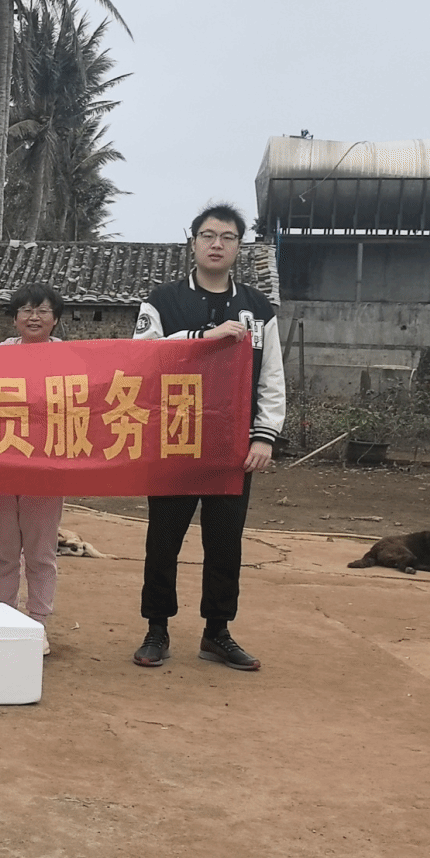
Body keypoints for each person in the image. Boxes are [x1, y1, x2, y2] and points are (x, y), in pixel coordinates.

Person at [132, 203, 285, 671]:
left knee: (225, 542)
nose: (217, 244)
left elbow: (272, 376)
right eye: (208, 235)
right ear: (193, 242)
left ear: (239, 246)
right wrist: (203, 335)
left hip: (232, 446)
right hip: (175, 438)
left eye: (228, 237)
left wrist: (264, 437)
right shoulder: (162, 300)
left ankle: (217, 631)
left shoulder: (258, 308)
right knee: (163, 540)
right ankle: (156, 628)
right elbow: (142, 357)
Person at [0, 283, 65, 650]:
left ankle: (38, 624)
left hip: (45, 468)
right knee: (3, 551)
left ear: (55, 319)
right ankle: (4, 617)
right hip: (0, 463)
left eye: (43, 310)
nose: (34, 317)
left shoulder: (73, 359)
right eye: (26, 310)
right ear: (14, 318)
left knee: (41, 552)